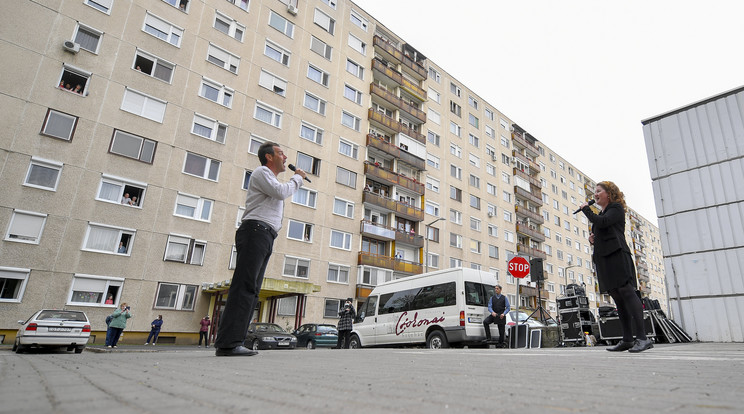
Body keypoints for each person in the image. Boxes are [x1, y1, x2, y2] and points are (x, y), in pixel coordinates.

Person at [213, 142, 305, 357]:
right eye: (281, 153)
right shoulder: (262, 172)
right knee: (244, 286)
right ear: (269, 157)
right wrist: (297, 178)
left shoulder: (270, 177)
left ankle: (235, 341)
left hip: (264, 234)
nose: (285, 156)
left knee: (252, 289)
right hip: (255, 230)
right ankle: (227, 343)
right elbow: (281, 192)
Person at [580, 181, 652, 353]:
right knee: (618, 297)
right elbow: (603, 227)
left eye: (598, 191)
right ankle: (627, 339)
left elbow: (604, 222)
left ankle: (642, 338)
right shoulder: (603, 212)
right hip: (604, 258)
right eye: (594, 192)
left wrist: (587, 210)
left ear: (609, 193)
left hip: (617, 255)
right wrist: (593, 238)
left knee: (627, 292)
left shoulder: (616, 208)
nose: (595, 194)